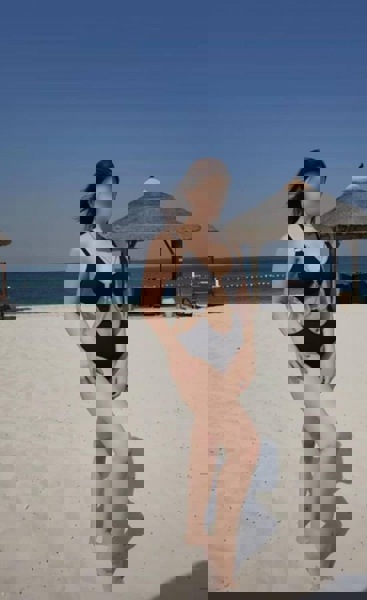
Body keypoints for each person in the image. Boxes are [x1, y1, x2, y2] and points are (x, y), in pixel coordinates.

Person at [141, 159, 260, 592]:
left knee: (213, 440)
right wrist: (178, 350)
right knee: (241, 445)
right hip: (197, 360)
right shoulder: (167, 246)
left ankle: (203, 529)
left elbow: (228, 299)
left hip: (216, 355)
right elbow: (153, 305)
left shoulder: (202, 242)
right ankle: (217, 537)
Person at [271, 154, 347, 585]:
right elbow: (284, 298)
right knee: (323, 436)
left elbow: (329, 298)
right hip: (304, 340)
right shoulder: (292, 240)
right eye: (315, 189)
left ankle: (314, 532)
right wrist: (300, 336)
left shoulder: (324, 241)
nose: (320, 197)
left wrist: (330, 343)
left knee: (316, 438)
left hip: (322, 337)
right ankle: (315, 539)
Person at [65, 161, 140, 589]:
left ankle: (108, 530)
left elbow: (123, 300)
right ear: (92, 204)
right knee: (108, 433)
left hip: (117, 332)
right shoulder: (87, 243)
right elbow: (79, 300)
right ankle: (107, 541)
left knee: (111, 428)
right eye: (105, 197)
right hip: (98, 333)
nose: (110, 204)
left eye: (114, 196)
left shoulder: (118, 243)